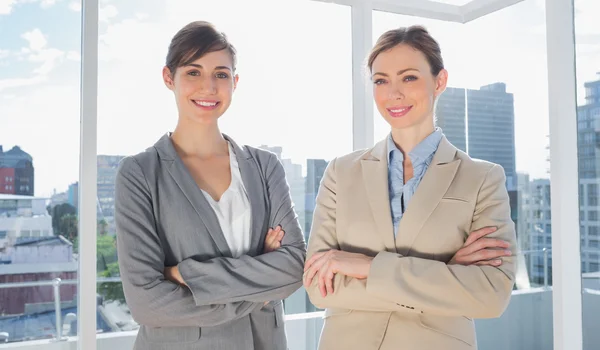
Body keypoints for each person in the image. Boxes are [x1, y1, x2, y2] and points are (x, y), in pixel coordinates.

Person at [303, 25, 516, 350]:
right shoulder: (340, 173)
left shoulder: (482, 179)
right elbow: (319, 286)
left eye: (409, 77)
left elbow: (491, 293)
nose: (393, 93)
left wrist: (367, 268)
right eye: (380, 80)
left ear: (439, 81)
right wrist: (445, 274)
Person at [115, 21, 306, 350]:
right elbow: (145, 302)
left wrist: (184, 274)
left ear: (235, 82)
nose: (208, 86)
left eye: (220, 74)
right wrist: (258, 286)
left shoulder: (264, 167)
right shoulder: (139, 174)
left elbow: (293, 266)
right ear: (168, 78)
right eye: (193, 72)